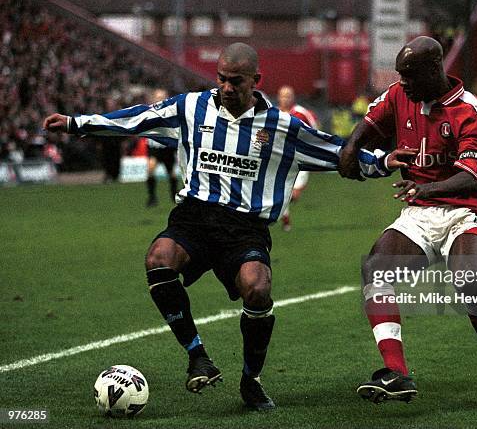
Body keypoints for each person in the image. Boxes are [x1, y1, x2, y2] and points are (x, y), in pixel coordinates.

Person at [43, 42, 387, 411]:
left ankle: (251, 381)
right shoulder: (191, 107)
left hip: (244, 227)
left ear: (256, 80)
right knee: (158, 258)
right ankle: (197, 356)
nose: (225, 86)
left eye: (235, 81)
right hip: (195, 216)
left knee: (257, 289)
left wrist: (382, 163)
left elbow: (337, 151)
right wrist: (78, 123)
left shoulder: (283, 127)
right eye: (221, 78)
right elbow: (137, 118)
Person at [339, 36, 477, 407]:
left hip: (463, 211)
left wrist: (428, 190)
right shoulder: (398, 94)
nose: (402, 83)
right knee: (376, 269)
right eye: (400, 75)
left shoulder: (468, 110)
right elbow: (370, 123)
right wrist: (350, 147)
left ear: (434, 69)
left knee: (469, 282)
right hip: (420, 212)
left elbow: (474, 176)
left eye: (409, 76)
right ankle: (397, 373)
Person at [276, 85, 319, 231]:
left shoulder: (301, 113)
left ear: (293, 97)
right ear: (278, 97)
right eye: (283, 95)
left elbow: (315, 129)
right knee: (280, 191)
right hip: (280, 159)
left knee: (294, 194)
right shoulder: (273, 114)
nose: (286, 98)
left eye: (288, 95)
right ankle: (285, 219)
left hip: (300, 158)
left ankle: (282, 212)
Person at [144, 88, 179, 207]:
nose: (160, 99)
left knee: (172, 174)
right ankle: (152, 197)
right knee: (150, 169)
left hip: (167, 148)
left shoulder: (171, 113)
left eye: (162, 97)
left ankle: (174, 195)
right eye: (158, 97)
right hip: (154, 148)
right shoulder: (148, 113)